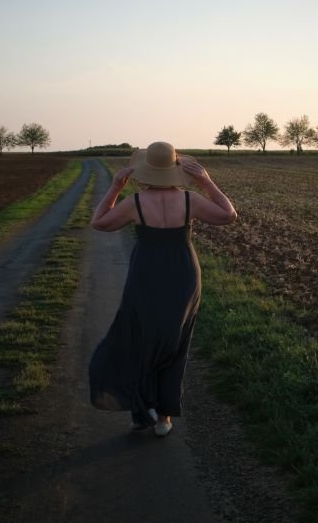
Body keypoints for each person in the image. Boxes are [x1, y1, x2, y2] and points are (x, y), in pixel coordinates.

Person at [88, 141, 237, 436]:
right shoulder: (189, 199)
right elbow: (228, 214)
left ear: (146, 170)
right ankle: (164, 417)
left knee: (140, 339)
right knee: (175, 343)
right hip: (183, 274)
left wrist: (116, 188)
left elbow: (99, 223)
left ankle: (142, 410)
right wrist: (205, 180)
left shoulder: (135, 202)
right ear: (175, 168)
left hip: (146, 273)